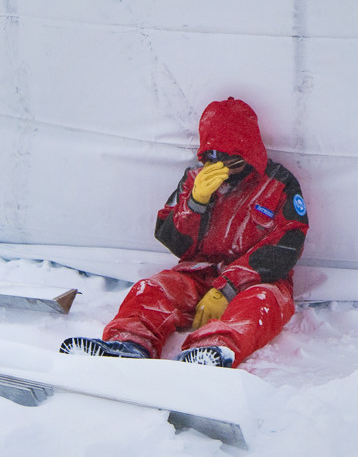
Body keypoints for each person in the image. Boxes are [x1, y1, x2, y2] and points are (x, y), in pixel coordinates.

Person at [60, 97, 309, 368]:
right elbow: (172, 238)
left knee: (261, 303)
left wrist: (228, 287)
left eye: (232, 162)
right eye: (215, 160)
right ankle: (127, 343)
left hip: (256, 281)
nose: (223, 170)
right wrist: (195, 203)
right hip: (198, 272)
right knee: (152, 289)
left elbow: (287, 245)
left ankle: (213, 351)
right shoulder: (193, 178)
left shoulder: (279, 184)